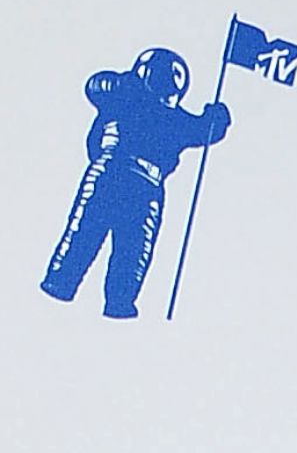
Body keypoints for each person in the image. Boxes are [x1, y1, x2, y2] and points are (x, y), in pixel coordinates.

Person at [40, 47, 231, 319]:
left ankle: (65, 283)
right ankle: (114, 300)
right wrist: (217, 117)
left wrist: (216, 119)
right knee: (129, 249)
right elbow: (206, 130)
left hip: (113, 174)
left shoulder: (122, 95)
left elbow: (96, 85)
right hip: (138, 183)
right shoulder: (159, 111)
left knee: (89, 235)